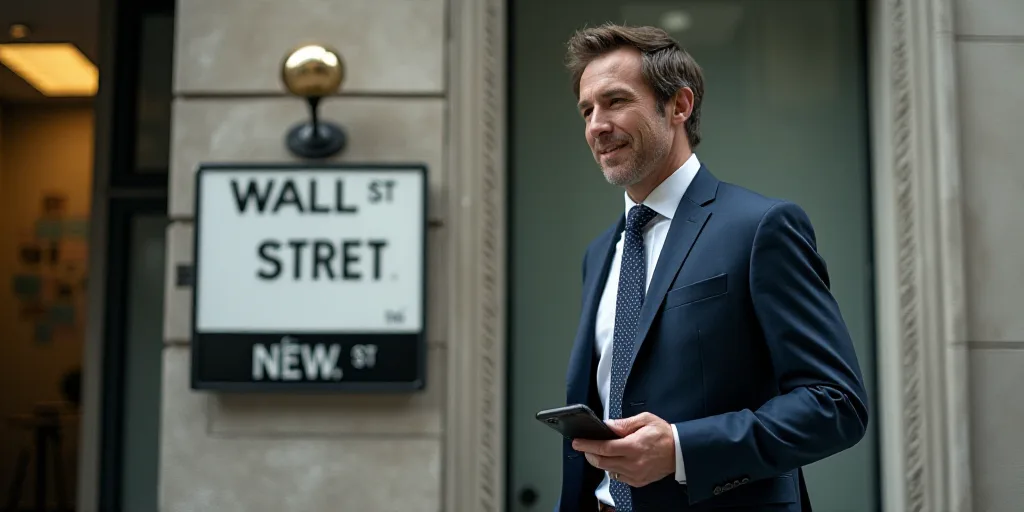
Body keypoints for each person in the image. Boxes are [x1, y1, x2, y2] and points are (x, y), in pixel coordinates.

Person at [556, 24, 869, 512]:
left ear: (679, 106)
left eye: (615, 101)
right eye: (587, 110)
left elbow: (835, 404)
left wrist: (682, 449)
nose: (596, 124)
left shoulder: (761, 227)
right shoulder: (601, 253)